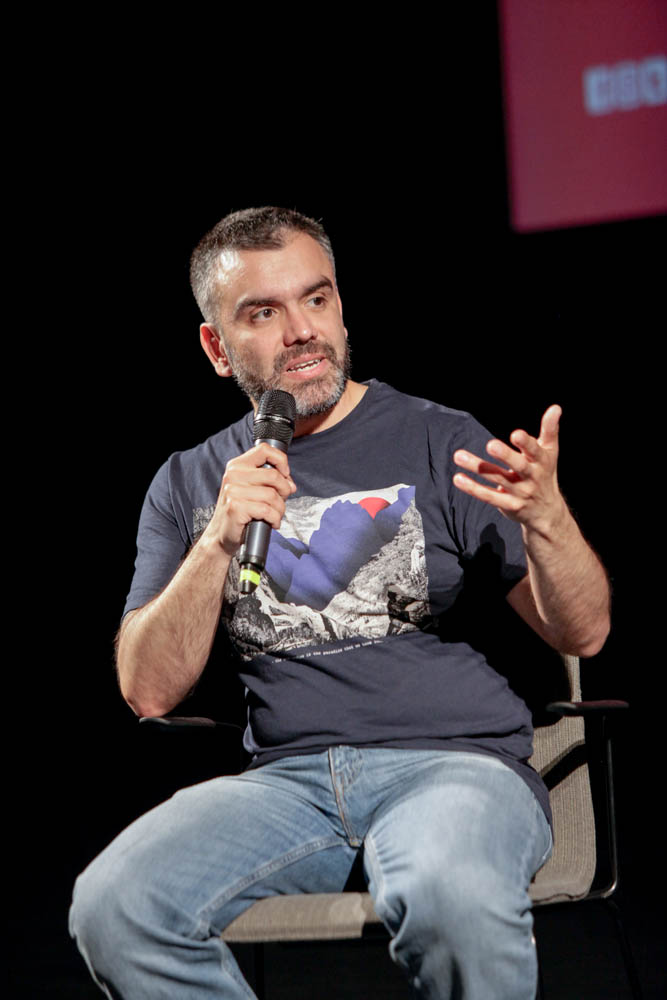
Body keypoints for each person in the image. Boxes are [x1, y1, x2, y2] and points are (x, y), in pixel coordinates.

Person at [69, 207, 610, 999]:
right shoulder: (189, 482)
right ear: (217, 348)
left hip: (451, 768)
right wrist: (215, 543)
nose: (301, 331)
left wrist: (550, 524)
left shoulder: (438, 438)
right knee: (115, 906)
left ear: (340, 308)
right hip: (286, 786)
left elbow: (584, 632)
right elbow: (147, 691)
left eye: (316, 299)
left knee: (449, 896)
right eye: (263, 313)